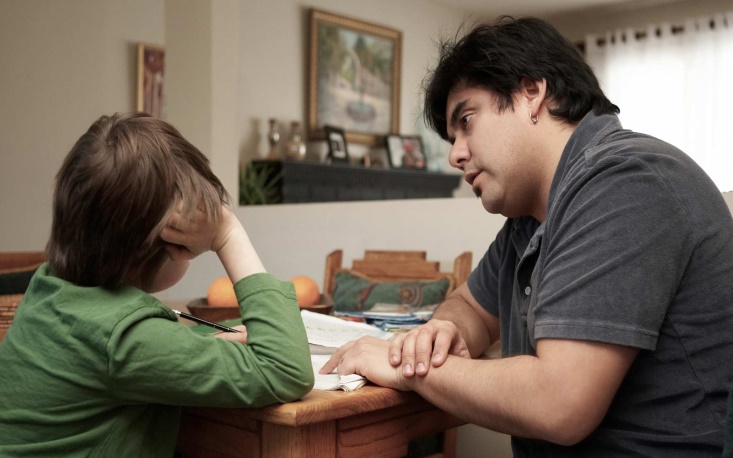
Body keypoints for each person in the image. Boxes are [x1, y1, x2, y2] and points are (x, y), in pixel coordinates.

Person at [321, 16, 733, 456]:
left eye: (466, 120)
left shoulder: (624, 183)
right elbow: (470, 308)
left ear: (530, 94)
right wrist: (443, 329)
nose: (455, 154)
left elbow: (559, 404)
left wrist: (407, 366)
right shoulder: (532, 216)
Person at [0, 112, 314, 456]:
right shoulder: (127, 341)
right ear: (169, 242)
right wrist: (228, 233)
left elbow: (121, 347)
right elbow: (286, 370)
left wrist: (202, 340)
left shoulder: (49, 288)